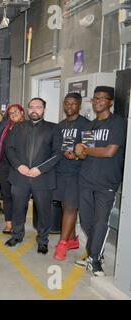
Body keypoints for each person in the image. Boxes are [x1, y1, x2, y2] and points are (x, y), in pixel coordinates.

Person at [74, 86, 126, 276]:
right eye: (95, 99)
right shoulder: (90, 125)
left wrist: (85, 150)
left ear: (110, 102)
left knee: (100, 222)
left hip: (106, 182)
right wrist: (78, 152)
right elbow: (82, 153)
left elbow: (110, 151)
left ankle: (94, 260)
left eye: (102, 98)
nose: (97, 102)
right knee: (86, 221)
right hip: (86, 179)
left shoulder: (117, 123)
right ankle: (95, 254)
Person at [4, 98, 60, 254]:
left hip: (43, 177)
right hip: (20, 176)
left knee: (44, 211)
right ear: (28, 110)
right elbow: (9, 149)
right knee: (18, 209)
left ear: (44, 110)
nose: (35, 110)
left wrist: (40, 169)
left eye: (39, 107)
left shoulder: (54, 128)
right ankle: (17, 235)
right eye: (32, 107)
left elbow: (58, 153)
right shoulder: (17, 128)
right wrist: (18, 166)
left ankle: (43, 240)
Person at [53, 93, 91, 261]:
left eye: (73, 104)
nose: (69, 106)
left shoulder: (87, 125)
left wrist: (76, 156)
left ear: (79, 105)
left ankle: (62, 244)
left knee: (70, 207)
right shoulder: (59, 125)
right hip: (60, 171)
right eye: (66, 103)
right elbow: (57, 148)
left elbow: (89, 149)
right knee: (65, 205)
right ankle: (73, 239)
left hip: (77, 173)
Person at [0, 104, 26, 234]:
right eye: (10, 113)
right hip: (4, 167)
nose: (13, 114)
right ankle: (9, 223)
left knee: (19, 197)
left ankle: (18, 224)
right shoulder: (6, 128)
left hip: (20, 167)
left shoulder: (29, 127)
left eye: (16, 112)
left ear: (22, 112)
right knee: (7, 196)